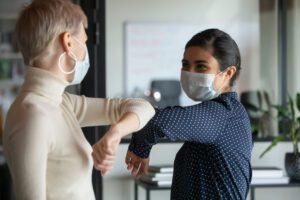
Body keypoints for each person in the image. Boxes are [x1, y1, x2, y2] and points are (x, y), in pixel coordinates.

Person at [2, 0, 154, 200]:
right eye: (84, 41)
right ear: (68, 42)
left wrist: (115, 132)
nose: (85, 51)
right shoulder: (32, 114)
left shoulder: (60, 102)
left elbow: (144, 107)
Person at [124, 29, 253, 200]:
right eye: (185, 64)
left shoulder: (224, 113)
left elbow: (156, 122)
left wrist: (140, 149)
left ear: (228, 73)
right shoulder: (227, 113)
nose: (190, 72)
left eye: (201, 66)